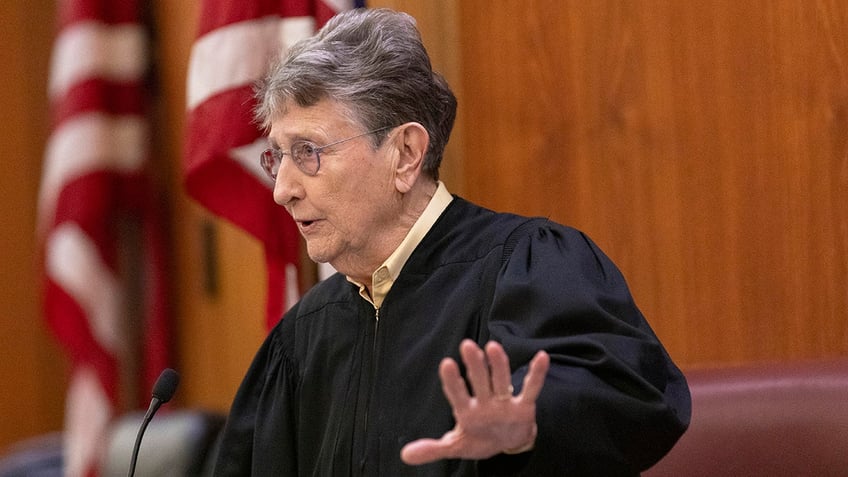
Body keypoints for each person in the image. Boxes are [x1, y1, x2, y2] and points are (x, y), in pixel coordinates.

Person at [212, 7, 690, 476]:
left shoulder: (526, 268)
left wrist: (531, 425)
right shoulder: (304, 334)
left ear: (405, 154)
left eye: (309, 152)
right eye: (278, 157)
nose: (282, 190)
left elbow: (633, 399)